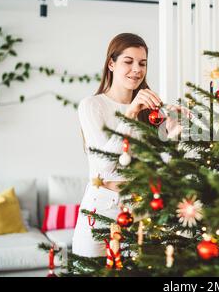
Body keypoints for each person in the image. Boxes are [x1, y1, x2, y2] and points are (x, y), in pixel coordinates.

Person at [72, 33, 182, 257]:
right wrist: (131, 113)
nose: (137, 69)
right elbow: (104, 166)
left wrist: (174, 132)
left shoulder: (151, 112)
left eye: (142, 63)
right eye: (128, 61)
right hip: (99, 210)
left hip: (139, 211)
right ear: (111, 63)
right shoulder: (92, 106)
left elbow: (162, 169)